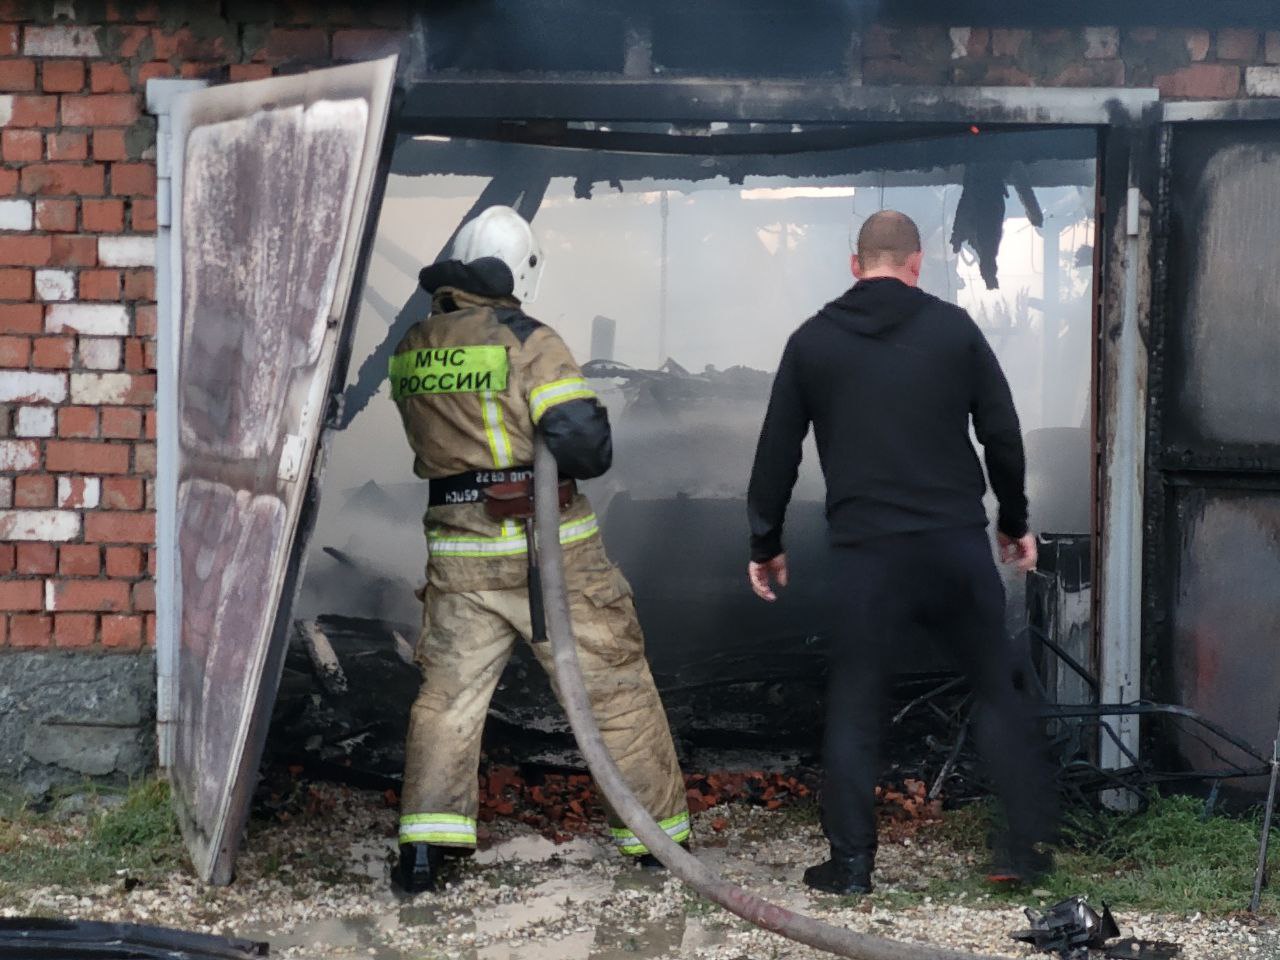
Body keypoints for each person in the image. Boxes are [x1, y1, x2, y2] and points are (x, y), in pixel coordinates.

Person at [746, 210, 1058, 895]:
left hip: (867, 556)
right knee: (999, 688)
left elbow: (777, 451)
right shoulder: (954, 331)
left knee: (856, 701)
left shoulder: (813, 342)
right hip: (952, 545)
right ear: (917, 264)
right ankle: (1021, 852)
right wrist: (1012, 520)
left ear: (855, 264)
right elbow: (1002, 435)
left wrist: (764, 541)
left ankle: (852, 866)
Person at [390, 205, 690, 893]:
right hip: (547, 550)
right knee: (614, 686)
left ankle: (426, 854)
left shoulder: (413, 345)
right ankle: (656, 843)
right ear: (520, 270)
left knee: (447, 700)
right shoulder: (527, 338)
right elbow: (586, 444)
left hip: (457, 552)